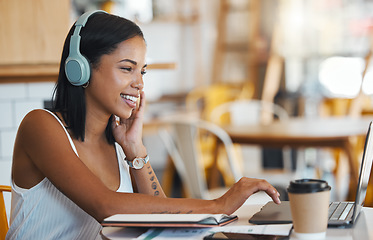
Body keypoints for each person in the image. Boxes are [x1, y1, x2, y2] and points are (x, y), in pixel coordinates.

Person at [6, 10, 281, 239]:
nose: (139, 83)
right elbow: (106, 206)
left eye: (142, 71)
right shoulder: (40, 126)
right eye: (127, 68)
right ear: (80, 69)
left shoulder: (117, 142)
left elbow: (162, 219)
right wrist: (218, 205)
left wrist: (135, 148)